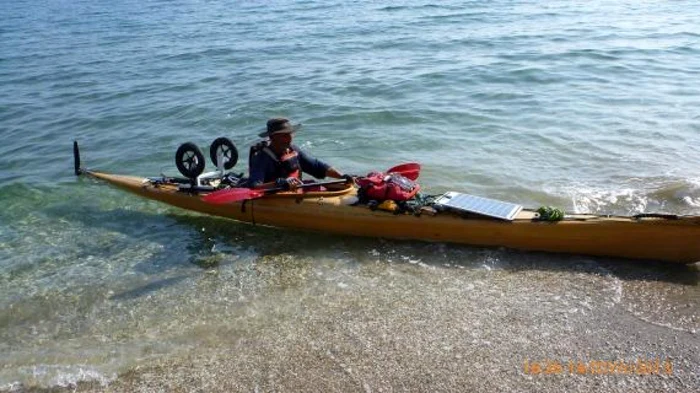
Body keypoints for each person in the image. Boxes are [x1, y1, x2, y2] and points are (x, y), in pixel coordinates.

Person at [247, 118, 352, 190]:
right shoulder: (261, 158)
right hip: (275, 196)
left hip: (296, 191)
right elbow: (255, 186)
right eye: (284, 135)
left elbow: (318, 167)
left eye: (290, 134)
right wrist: (278, 183)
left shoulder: (293, 150)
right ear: (272, 137)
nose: (289, 138)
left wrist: (342, 176)